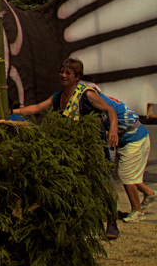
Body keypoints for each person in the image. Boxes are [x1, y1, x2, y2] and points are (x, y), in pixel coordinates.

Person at [12, 57, 144, 233]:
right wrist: (12, 112)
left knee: (103, 184)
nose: (63, 76)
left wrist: (112, 131)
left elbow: (110, 111)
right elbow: (37, 108)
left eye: (68, 73)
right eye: (62, 72)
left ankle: (111, 221)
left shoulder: (87, 95)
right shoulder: (58, 96)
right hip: (73, 148)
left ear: (77, 76)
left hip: (94, 147)